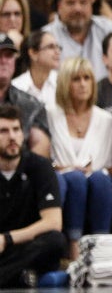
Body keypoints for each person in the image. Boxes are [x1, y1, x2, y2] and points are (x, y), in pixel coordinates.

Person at [45, 57, 112, 260]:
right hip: (63, 178)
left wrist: (93, 170)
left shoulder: (107, 120)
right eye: (76, 79)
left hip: (97, 180)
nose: (83, 84)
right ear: (65, 83)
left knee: (101, 179)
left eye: (87, 78)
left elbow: (111, 167)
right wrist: (64, 168)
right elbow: (43, 159)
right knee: (75, 179)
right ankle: (74, 247)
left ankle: (101, 247)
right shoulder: (50, 114)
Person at [0, 103, 66, 288]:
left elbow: (53, 222)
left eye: (16, 129)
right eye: (3, 131)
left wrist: (7, 238)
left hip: (26, 244)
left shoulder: (40, 167)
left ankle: (10, 277)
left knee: (55, 240)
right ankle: (18, 278)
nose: (12, 137)